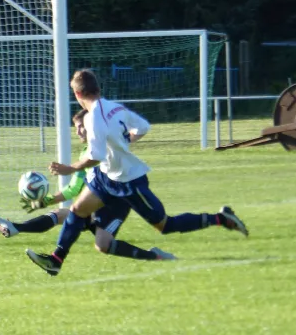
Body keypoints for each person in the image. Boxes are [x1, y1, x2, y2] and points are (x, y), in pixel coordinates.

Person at [26, 69, 249, 276]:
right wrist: (123, 142)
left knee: (165, 225)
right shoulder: (115, 107)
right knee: (77, 209)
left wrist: (71, 167)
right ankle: (56, 260)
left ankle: (220, 218)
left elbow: (95, 156)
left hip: (129, 182)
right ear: (98, 89)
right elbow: (142, 127)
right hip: (107, 178)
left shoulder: (93, 117)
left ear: (77, 93)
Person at [0, 109, 176, 265]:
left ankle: (155, 256)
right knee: (78, 224)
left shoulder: (99, 151)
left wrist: (44, 200)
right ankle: (17, 229)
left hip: (115, 203)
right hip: (99, 204)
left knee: (97, 239)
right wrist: (45, 201)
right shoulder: (89, 151)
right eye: (76, 127)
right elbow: (75, 187)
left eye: (80, 127)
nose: (77, 131)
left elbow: (73, 190)